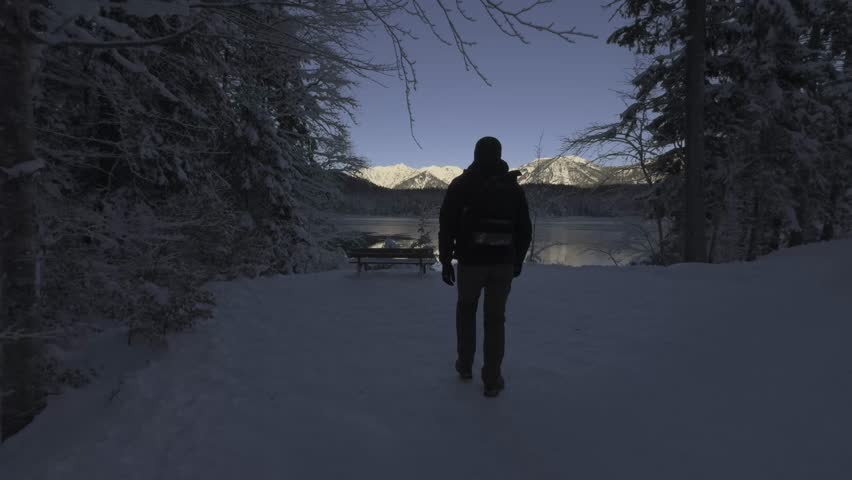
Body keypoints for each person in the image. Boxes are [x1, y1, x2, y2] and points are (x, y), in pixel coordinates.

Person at [438, 136, 532, 397]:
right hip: (502, 264)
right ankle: (492, 379)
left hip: (470, 263)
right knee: (495, 320)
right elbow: (525, 229)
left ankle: (465, 366)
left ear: (476, 154)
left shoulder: (461, 185)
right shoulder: (513, 189)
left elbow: (446, 225)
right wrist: (517, 260)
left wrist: (446, 260)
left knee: (466, 313)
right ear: (500, 155)